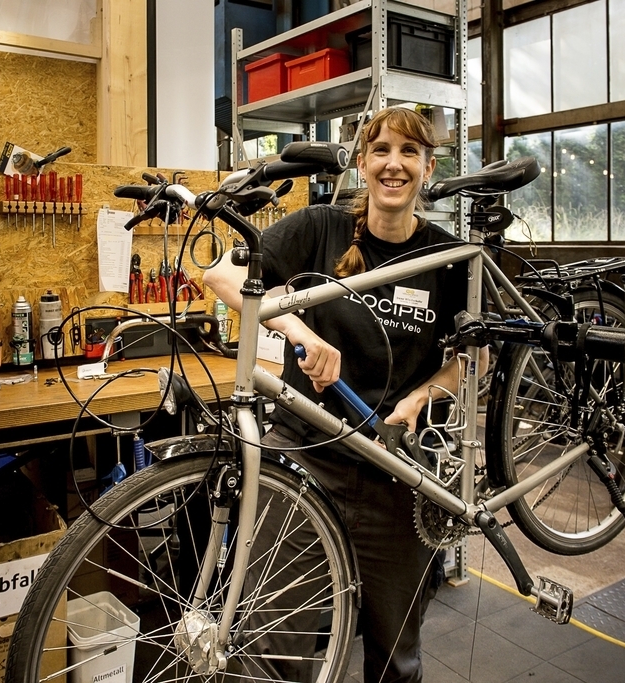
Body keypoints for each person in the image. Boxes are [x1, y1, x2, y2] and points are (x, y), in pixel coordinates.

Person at [203, 106, 481, 683]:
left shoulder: (447, 255)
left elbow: (473, 356)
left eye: (409, 153)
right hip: (307, 454)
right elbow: (221, 277)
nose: (393, 165)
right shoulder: (319, 228)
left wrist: (420, 398)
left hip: (397, 468)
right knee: (272, 641)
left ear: (428, 168)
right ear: (361, 163)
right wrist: (299, 331)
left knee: (395, 656)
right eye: (380, 150)